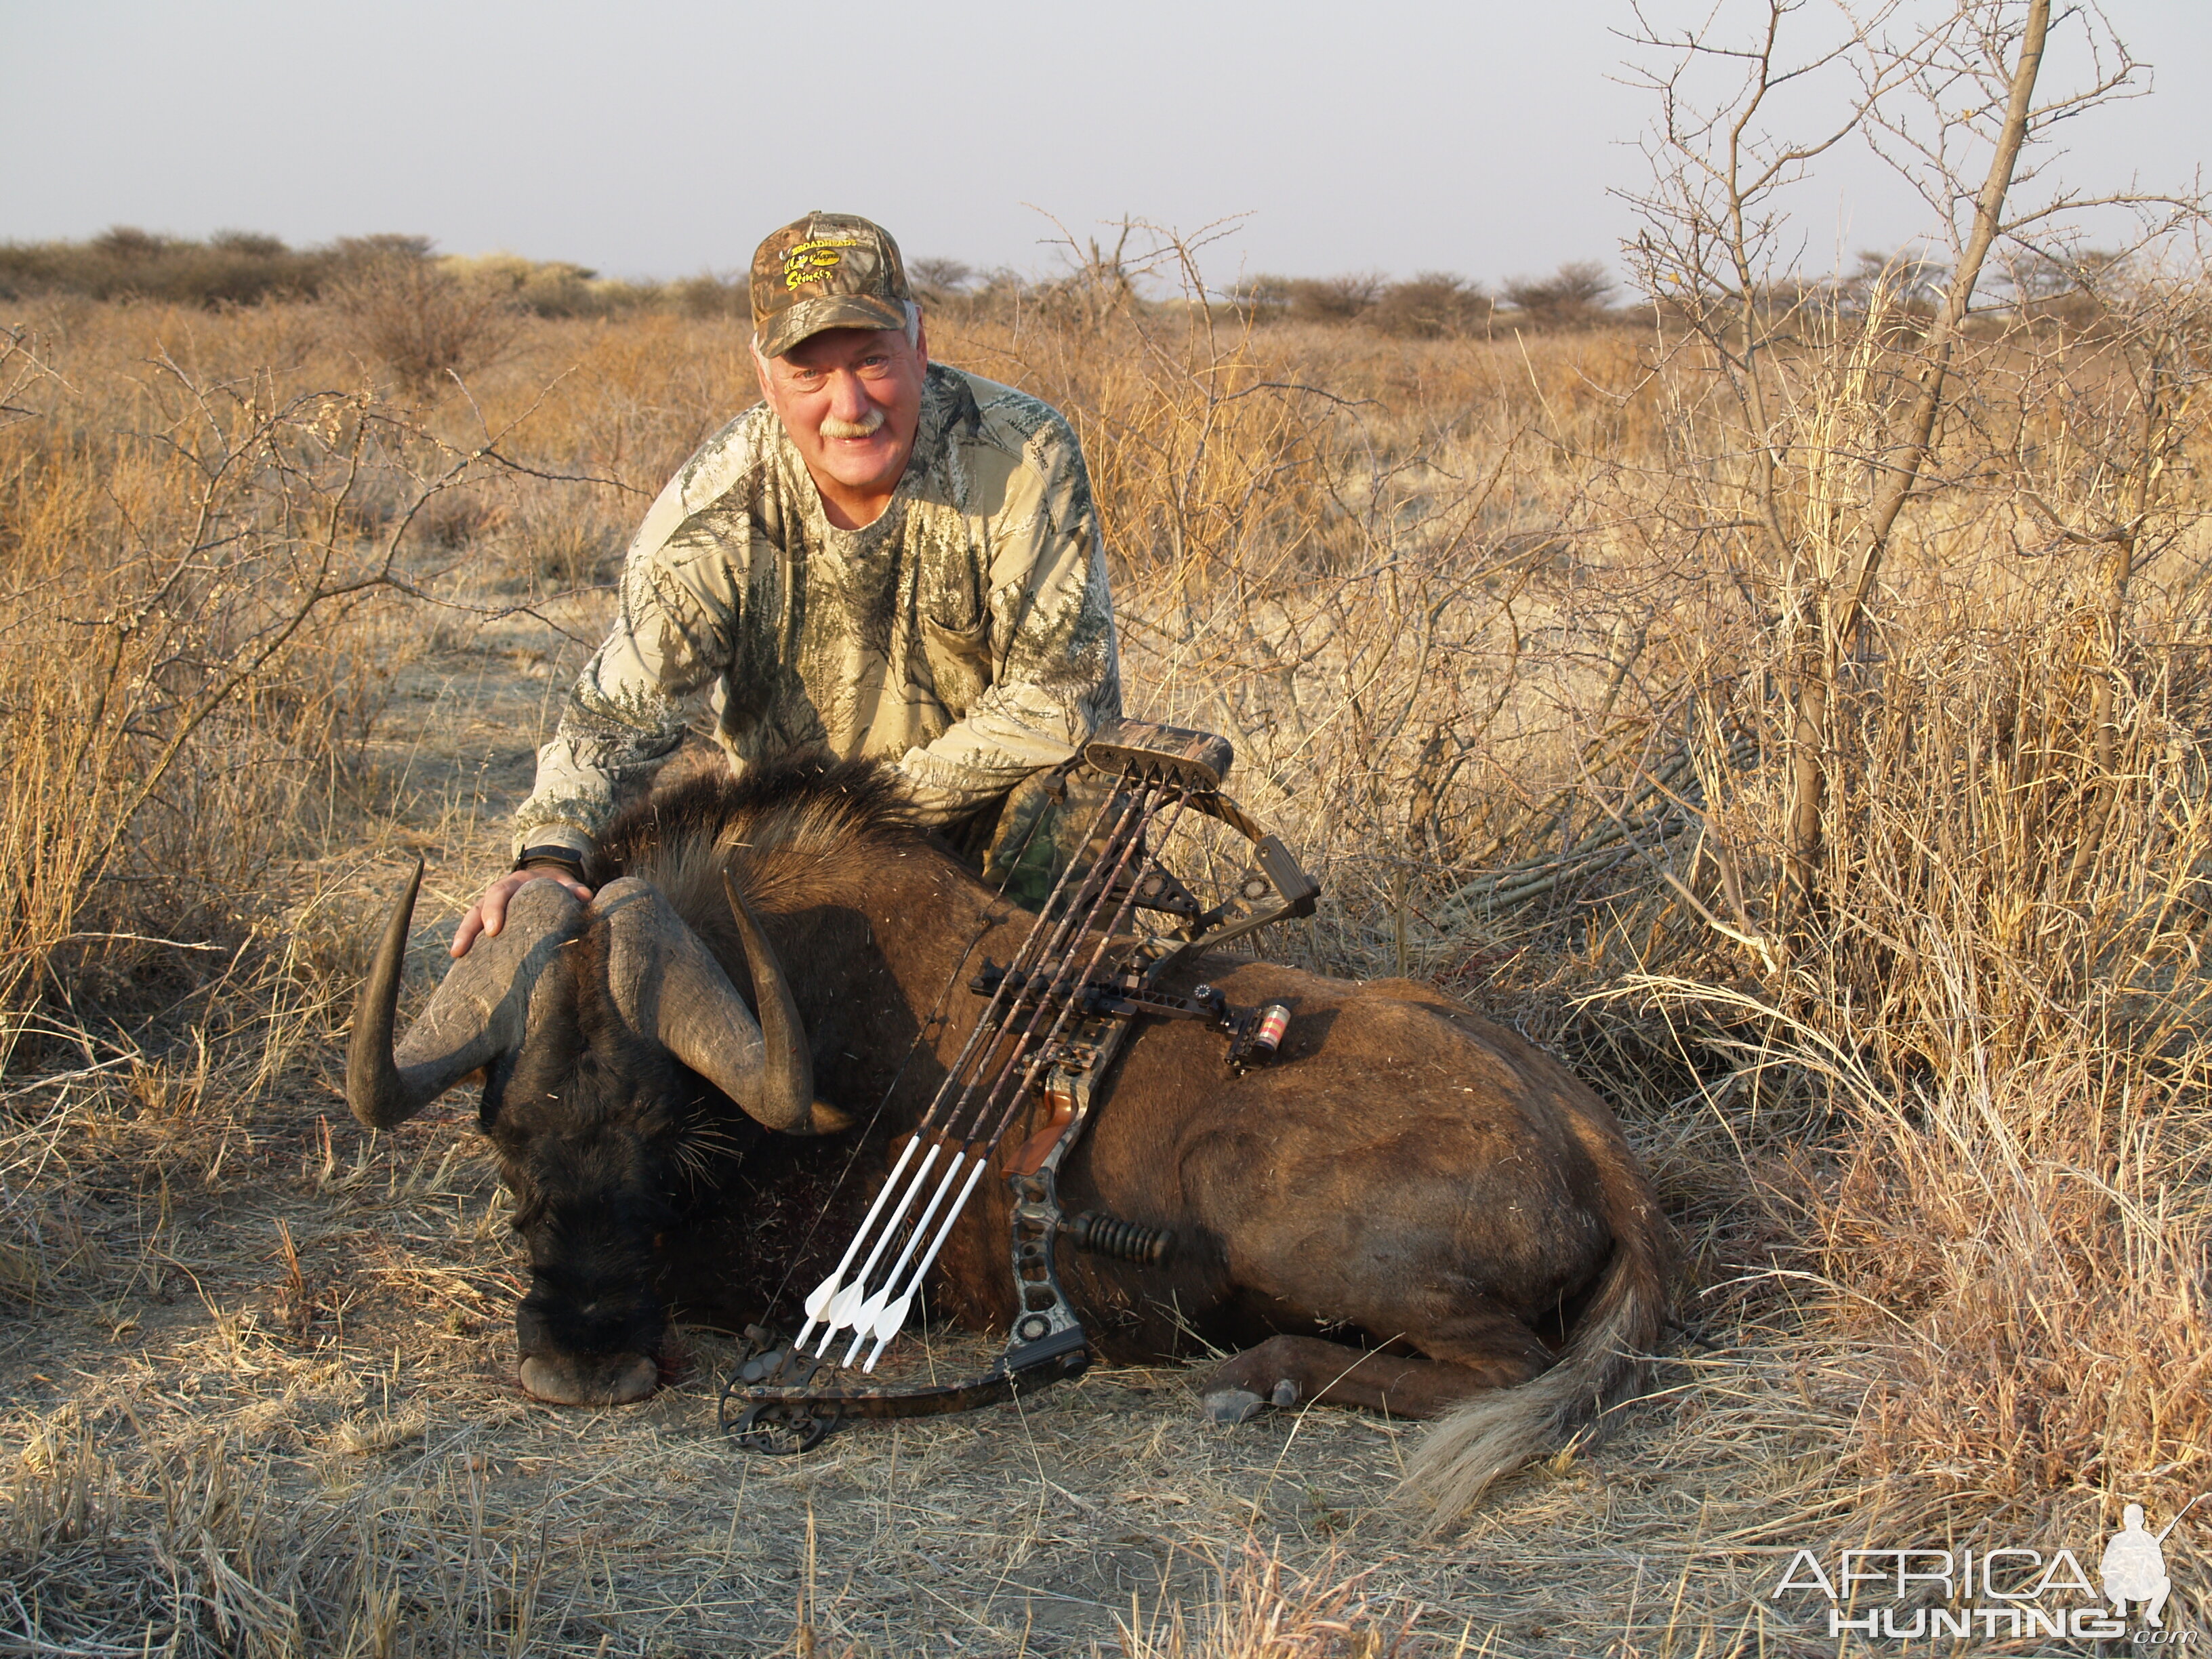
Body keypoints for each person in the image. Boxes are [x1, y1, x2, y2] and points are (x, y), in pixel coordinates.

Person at [453, 211, 1122, 958]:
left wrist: (868, 814)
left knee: (1084, 789)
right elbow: (616, 720)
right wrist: (549, 858)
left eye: (872, 360)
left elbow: (1061, 698)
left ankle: (1049, 1010)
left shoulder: (1022, 451)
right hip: (794, 867)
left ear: (919, 342)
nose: (850, 407)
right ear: (764, 376)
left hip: (980, 834)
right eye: (809, 371)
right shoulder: (715, 504)